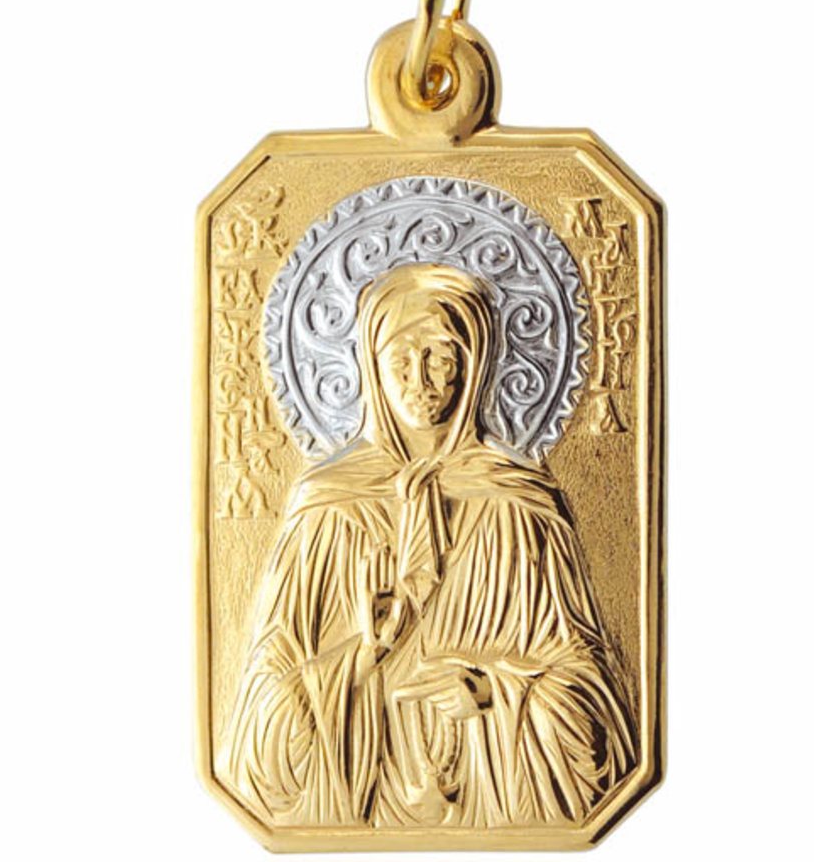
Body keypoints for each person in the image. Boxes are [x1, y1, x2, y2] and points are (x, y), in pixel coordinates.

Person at [224, 263, 635, 828]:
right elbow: (261, 720)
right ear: (371, 368)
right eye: (400, 360)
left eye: (440, 357)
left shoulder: (521, 507)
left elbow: (589, 694)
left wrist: (492, 691)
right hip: (361, 790)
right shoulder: (325, 509)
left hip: (495, 789)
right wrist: (360, 659)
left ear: (475, 364)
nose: (420, 380)